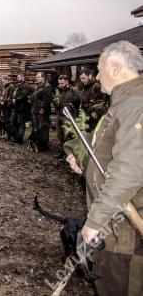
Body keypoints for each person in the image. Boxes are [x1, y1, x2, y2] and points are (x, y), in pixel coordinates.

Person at [65, 41, 143, 296]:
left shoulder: (136, 107)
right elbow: (105, 151)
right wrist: (83, 162)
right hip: (114, 228)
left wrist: (95, 221)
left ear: (117, 67)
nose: (97, 77)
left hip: (122, 232)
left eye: (99, 69)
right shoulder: (121, 105)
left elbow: (129, 172)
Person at [53, 75, 80, 159]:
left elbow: (78, 102)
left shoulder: (73, 90)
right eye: (59, 83)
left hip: (68, 116)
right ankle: (62, 151)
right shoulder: (58, 90)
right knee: (60, 134)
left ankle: (67, 153)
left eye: (62, 83)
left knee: (67, 135)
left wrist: (73, 106)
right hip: (59, 114)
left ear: (67, 82)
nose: (60, 85)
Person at [30, 72, 53, 151]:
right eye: (36, 77)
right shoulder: (38, 86)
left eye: (38, 77)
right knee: (37, 127)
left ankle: (44, 144)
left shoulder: (47, 86)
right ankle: (38, 142)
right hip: (36, 110)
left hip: (42, 111)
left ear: (43, 78)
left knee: (43, 127)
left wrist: (43, 108)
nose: (37, 78)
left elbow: (47, 98)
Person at [79, 67, 107, 133]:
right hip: (85, 120)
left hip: (94, 122)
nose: (82, 81)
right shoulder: (84, 89)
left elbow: (104, 102)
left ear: (90, 76)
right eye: (81, 79)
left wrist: (96, 111)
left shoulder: (97, 87)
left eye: (84, 78)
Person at [11, 72, 31, 140]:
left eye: (19, 77)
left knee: (21, 122)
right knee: (13, 120)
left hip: (23, 106)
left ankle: (20, 137)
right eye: (17, 77)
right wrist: (13, 99)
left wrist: (17, 99)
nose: (17, 79)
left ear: (23, 77)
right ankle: (14, 134)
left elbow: (24, 95)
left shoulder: (26, 86)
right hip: (17, 105)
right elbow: (15, 94)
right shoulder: (18, 86)